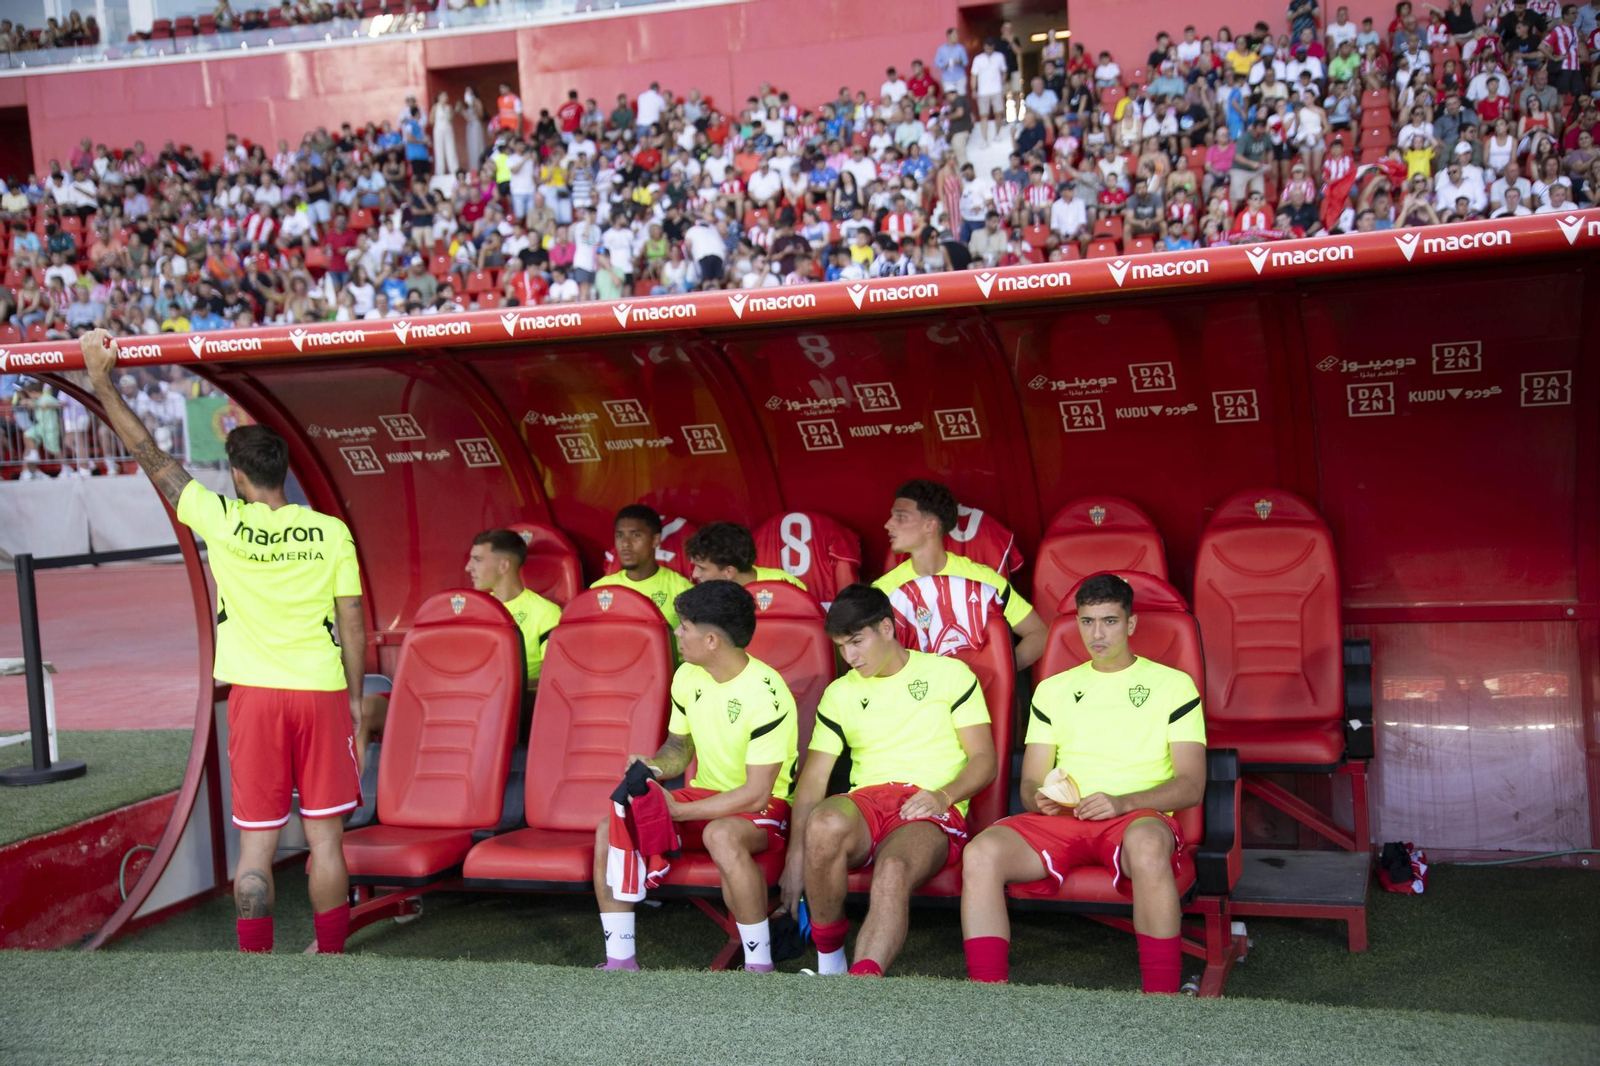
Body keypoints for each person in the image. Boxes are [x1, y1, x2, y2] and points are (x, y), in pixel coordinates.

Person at [79, 329, 363, 957]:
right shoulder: (330, 532)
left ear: (236, 474)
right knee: (326, 842)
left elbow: (150, 453)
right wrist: (354, 702)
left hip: (256, 699)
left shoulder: (222, 518)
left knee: (257, 844)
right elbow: (352, 622)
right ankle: (334, 957)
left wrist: (103, 383)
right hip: (320, 691)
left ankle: (255, 963)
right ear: (284, 471)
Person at [959, 574, 1207, 993]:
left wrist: (1122, 802)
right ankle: (988, 994)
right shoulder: (1052, 690)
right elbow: (1031, 782)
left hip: (1134, 819)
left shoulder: (1173, 684)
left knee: (1147, 846)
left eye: (1109, 621)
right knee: (981, 852)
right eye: (1087, 621)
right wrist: (1041, 799)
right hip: (1065, 820)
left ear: (1130, 624)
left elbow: (1191, 785)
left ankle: (1162, 997)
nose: (1097, 633)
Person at [780, 584, 996, 976]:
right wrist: (796, 854)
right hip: (866, 802)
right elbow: (812, 781)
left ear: (886, 627)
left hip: (929, 805)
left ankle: (861, 982)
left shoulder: (949, 674)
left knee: (894, 867)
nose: (850, 657)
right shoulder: (839, 693)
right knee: (824, 822)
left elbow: (984, 760)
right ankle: (830, 967)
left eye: (857, 642)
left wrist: (943, 797)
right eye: (841, 646)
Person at [593, 581, 799, 972]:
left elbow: (757, 794)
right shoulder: (688, 676)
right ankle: (620, 961)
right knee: (610, 827)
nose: (677, 633)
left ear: (710, 640)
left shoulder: (768, 695)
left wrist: (679, 813)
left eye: (684, 626)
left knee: (719, 833)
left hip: (763, 806)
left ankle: (759, 965)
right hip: (704, 796)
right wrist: (651, 768)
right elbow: (678, 749)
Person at [354, 528, 560, 755]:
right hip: (454, 698)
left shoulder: (546, 613)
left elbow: (553, 679)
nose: (468, 567)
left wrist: (504, 684)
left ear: (504, 565)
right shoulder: (469, 609)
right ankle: (366, 790)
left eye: (478, 560)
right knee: (365, 710)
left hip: (508, 704)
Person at [872, 479, 1046, 668]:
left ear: (930, 525)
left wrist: (999, 674)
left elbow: (1039, 634)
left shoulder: (983, 580)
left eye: (900, 517)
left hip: (977, 695)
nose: (888, 524)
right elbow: (871, 655)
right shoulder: (882, 590)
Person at [591, 504, 695, 629]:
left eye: (635, 535)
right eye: (620, 535)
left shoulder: (682, 590)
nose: (625, 544)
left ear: (655, 540)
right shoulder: (600, 589)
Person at [684, 522, 807, 590]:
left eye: (702, 568)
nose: (695, 575)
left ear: (729, 572)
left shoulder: (784, 586)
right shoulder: (706, 594)